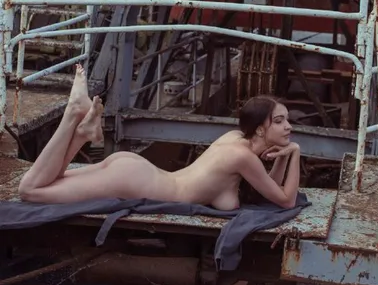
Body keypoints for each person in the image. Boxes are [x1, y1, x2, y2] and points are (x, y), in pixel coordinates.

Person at [18, 65, 300, 209]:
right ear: (260, 129)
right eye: (279, 121)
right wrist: (295, 152)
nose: (288, 127)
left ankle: (83, 134)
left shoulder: (236, 139)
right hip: (135, 181)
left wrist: (282, 158)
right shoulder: (243, 157)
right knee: (30, 190)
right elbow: (285, 200)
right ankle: (73, 115)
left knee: (51, 182)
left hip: (137, 174)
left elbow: (269, 190)